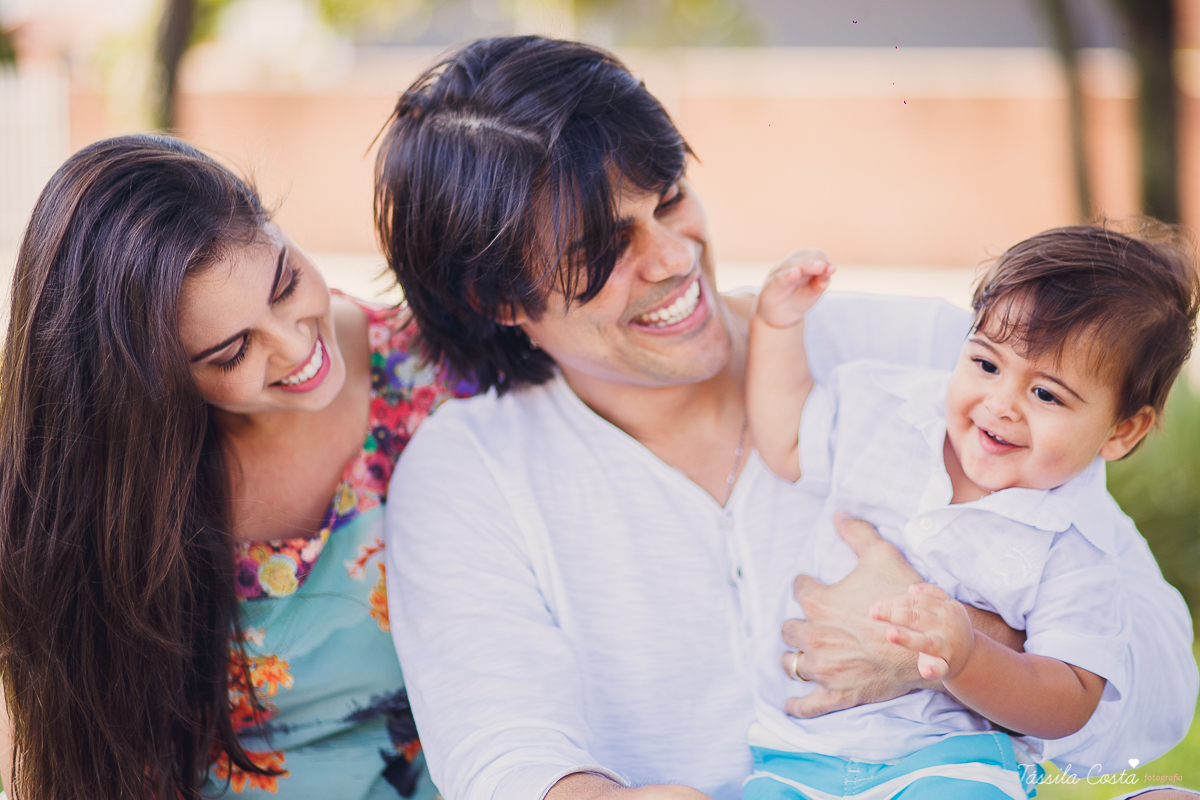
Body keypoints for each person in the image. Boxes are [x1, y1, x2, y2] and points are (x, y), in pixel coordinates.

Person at [378, 36, 1197, 800]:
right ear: (499, 298)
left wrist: (955, 648)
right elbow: (510, 764)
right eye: (603, 251)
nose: (674, 257)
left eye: (670, 200)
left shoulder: (948, 370)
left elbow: (1158, 692)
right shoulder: (468, 474)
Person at [0, 135, 471, 800]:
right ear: (147, 386)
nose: (296, 347)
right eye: (231, 352)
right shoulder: (92, 498)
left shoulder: (442, 376)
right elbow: (56, 757)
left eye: (286, 284)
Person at [741, 227, 1198, 799]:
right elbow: (786, 440)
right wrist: (777, 325)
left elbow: (1072, 697)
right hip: (799, 752)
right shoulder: (885, 408)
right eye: (986, 363)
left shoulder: (1076, 542)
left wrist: (968, 657)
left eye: (1047, 395)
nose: (1000, 403)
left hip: (953, 763)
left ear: (1121, 431)